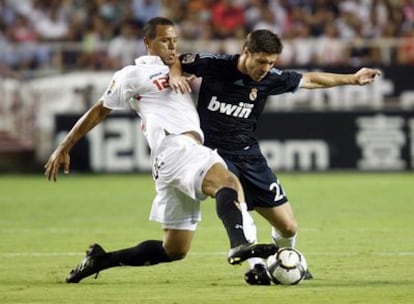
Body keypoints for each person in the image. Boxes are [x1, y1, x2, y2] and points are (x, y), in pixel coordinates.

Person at [44, 17, 278, 284]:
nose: (172, 46)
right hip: (175, 147)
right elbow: (99, 110)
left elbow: (216, 65)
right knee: (229, 182)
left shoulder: (178, 68)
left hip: (171, 160)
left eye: (175, 41)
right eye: (165, 40)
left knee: (175, 249)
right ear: (148, 42)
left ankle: (101, 259)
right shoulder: (132, 74)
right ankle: (240, 246)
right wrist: (64, 145)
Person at [170, 29, 381, 285]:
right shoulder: (216, 65)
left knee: (289, 227)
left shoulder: (270, 79)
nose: (265, 68)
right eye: (261, 61)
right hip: (214, 154)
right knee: (236, 202)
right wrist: (175, 76)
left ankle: (286, 257)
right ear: (246, 52)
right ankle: (256, 265)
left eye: (271, 63)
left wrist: (353, 79)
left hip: (250, 155)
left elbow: (311, 79)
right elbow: (178, 60)